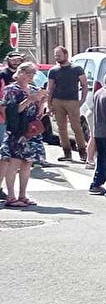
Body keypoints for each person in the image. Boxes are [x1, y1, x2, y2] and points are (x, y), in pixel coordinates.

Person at [1, 62, 47, 207]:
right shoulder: (11, 89)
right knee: (14, 164)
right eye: (28, 73)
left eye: (33, 74)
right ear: (20, 73)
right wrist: (30, 99)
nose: (31, 77)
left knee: (28, 163)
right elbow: (12, 112)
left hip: (31, 131)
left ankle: (23, 195)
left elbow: (38, 113)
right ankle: (11, 197)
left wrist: (41, 102)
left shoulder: (33, 89)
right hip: (18, 131)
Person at [43, 46, 89, 163]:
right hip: (57, 101)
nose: (56, 57)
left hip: (72, 101)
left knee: (76, 127)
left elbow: (84, 85)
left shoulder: (76, 69)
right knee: (61, 128)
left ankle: (83, 152)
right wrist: (49, 104)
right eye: (55, 55)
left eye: (59, 54)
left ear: (66, 54)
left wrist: (82, 100)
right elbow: (50, 88)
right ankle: (66, 152)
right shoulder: (53, 71)